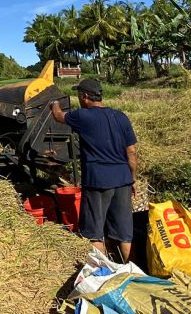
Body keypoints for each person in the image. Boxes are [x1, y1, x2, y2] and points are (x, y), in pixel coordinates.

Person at [50, 78, 137, 262]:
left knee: (94, 232)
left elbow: (58, 116)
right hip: (123, 179)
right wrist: (133, 179)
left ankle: (102, 273)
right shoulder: (121, 116)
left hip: (98, 181)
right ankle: (131, 274)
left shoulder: (83, 116)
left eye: (79, 95)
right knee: (124, 233)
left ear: (85, 96)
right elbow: (131, 151)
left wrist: (54, 102)